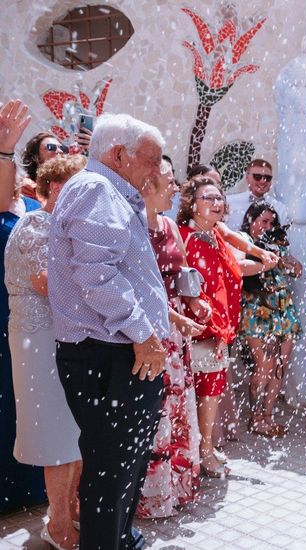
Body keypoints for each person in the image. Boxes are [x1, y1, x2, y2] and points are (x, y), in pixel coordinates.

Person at [49, 113, 170, 550]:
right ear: (119, 154)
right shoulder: (97, 189)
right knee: (110, 471)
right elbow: (97, 275)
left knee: (124, 467)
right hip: (108, 355)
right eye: (152, 160)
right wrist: (144, 334)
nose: (157, 171)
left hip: (117, 354)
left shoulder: (109, 192)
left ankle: (120, 541)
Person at [6, 154, 84, 547]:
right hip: (38, 342)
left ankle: (68, 510)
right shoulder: (37, 224)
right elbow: (46, 284)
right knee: (56, 436)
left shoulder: (63, 227)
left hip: (62, 341)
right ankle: (57, 525)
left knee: (72, 432)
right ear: (55, 188)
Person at [176, 177, 276, 477]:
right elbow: (184, 285)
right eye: (209, 198)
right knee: (193, 394)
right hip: (197, 330)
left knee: (211, 391)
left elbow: (233, 264)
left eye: (219, 198)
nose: (217, 203)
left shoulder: (217, 233)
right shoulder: (184, 236)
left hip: (220, 330)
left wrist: (262, 261)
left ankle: (204, 448)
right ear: (192, 204)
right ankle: (195, 452)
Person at [137, 158, 208, 518]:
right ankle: (146, 496)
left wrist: (196, 302)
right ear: (148, 184)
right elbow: (139, 285)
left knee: (176, 409)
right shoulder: (130, 221)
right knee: (153, 410)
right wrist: (175, 316)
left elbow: (179, 273)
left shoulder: (168, 224)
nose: (176, 188)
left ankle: (173, 487)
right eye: (170, 180)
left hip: (175, 332)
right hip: (144, 327)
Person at [0, 98, 46, 515]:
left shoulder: (34, 209)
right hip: (4, 311)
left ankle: (33, 487)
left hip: (39, 318)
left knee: (28, 401)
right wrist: (6, 146)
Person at [237, 201, 302, 437]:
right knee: (263, 367)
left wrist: (293, 265)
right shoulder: (244, 244)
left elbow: (297, 268)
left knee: (279, 368)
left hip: (284, 311)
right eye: (263, 221)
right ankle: (255, 418)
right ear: (251, 221)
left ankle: (268, 415)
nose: (267, 226)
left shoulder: (278, 245)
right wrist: (266, 262)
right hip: (258, 311)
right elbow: (240, 271)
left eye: (271, 222)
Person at [225, 159, 287, 227]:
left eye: (267, 178)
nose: (263, 181)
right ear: (247, 177)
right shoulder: (229, 202)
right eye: (257, 177)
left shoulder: (279, 208)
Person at [20, 132, 68, 200]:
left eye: (63, 148)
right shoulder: (27, 186)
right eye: (51, 147)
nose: (60, 151)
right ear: (36, 157)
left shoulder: (68, 187)